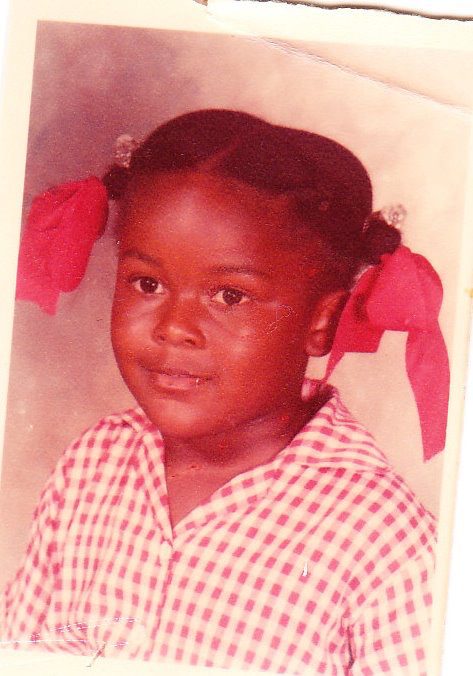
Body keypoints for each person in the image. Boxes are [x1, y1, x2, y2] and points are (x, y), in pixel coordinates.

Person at [1, 109, 449, 674]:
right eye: (147, 283)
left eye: (229, 296)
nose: (173, 327)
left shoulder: (382, 540)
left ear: (321, 320)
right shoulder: (91, 464)